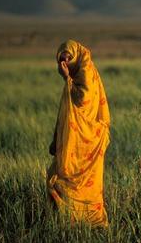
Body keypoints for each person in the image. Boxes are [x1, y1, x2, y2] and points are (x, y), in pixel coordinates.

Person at [47, 39, 110, 228]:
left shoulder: (86, 71)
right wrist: (56, 139)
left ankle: (90, 221)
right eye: (60, 59)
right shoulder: (75, 76)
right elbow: (66, 114)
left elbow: (82, 100)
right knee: (58, 176)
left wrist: (66, 78)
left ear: (76, 56)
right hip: (74, 140)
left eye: (68, 58)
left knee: (76, 182)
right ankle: (66, 222)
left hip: (90, 140)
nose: (64, 63)